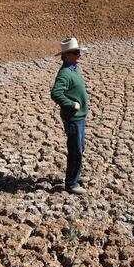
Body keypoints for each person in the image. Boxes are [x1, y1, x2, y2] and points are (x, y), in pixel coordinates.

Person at [50, 37, 89, 194]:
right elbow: (56, 93)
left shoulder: (73, 69)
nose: (79, 55)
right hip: (73, 118)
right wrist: (72, 104)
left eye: (79, 52)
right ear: (66, 55)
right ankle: (71, 184)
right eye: (75, 52)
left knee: (80, 147)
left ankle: (75, 175)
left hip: (80, 117)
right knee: (75, 150)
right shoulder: (65, 73)